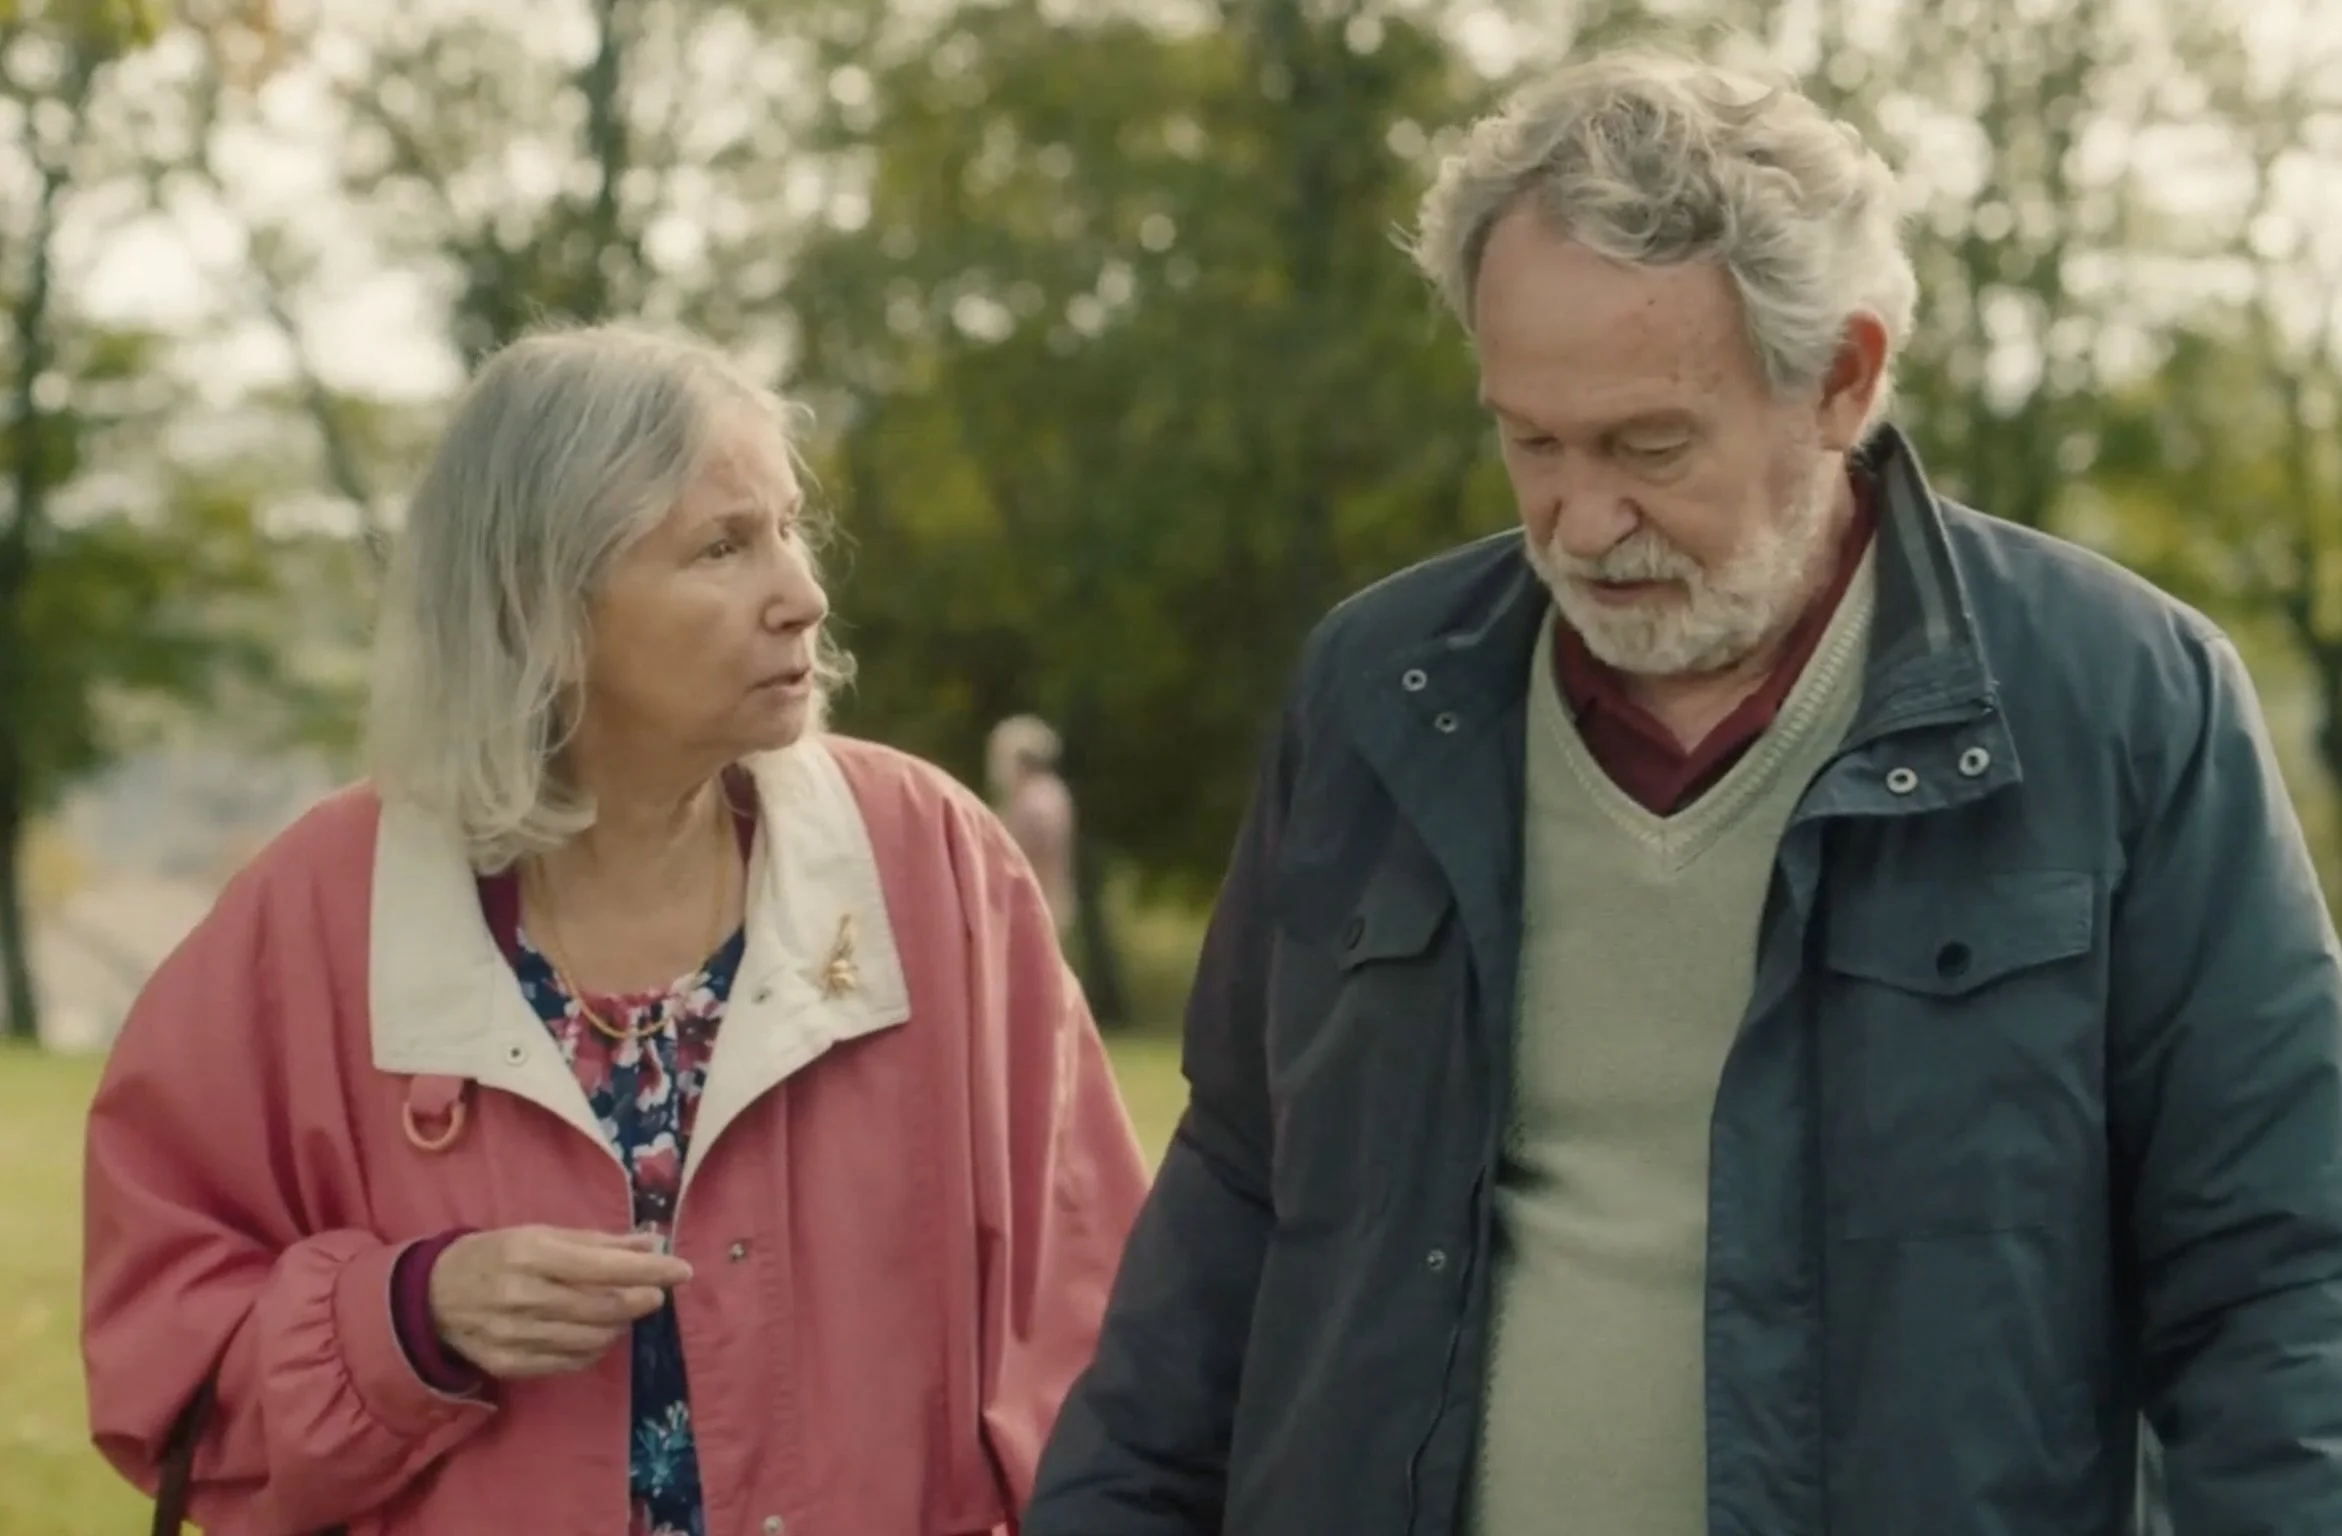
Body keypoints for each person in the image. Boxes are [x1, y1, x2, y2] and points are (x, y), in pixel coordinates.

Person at [1026, 48, 2342, 1536]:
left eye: (1648, 445)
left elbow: (2280, 1279)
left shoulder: (2124, 703)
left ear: (1840, 379)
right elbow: (1230, 1205)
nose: (1583, 522)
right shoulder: (1373, 693)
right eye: (1531, 441)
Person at [81, 323, 1152, 1536]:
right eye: (722, 547)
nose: (802, 596)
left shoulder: (930, 862)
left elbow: (1103, 1342)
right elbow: (163, 1352)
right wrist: (412, 1313)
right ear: (540, 605)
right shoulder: (319, 909)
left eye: (789, 528)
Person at [987, 715, 1078, 936]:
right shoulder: (1049, 793)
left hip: (1033, 910)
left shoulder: (1035, 801)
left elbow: (1014, 855)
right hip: (1042, 907)